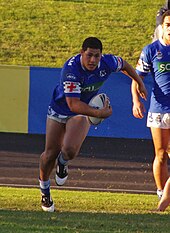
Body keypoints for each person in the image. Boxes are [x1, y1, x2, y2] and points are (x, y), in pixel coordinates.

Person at [39, 36, 147, 212]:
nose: (93, 60)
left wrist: (139, 82)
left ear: (101, 55)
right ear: (82, 53)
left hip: (82, 111)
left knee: (70, 150)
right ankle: (45, 191)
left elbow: (125, 65)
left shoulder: (107, 62)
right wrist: (100, 113)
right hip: (61, 108)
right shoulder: (71, 70)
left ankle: (63, 162)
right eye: (89, 55)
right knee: (49, 153)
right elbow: (72, 104)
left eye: (97, 56)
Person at [131, 10, 170, 201]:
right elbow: (137, 77)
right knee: (161, 154)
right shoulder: (151, 50)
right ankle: (161, 192)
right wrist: (136, 100)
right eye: (168, 25)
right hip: (158, 110)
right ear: (161, 27)